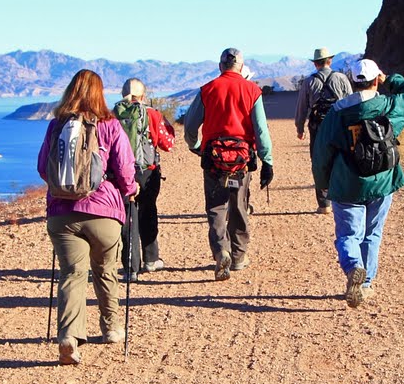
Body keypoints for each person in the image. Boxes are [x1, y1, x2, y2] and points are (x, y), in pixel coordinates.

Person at [37, 69, 138, 364]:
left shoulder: (56, 125)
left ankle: (69, 335)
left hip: (62, 213)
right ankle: (112, 328)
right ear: (100, 93)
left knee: (72, 273)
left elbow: (44, 168)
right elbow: (125, 168)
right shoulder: (109, 125)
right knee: (105, 269)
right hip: (104, 213)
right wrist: (130, 191)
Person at [310, 57, 404, 308]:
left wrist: (323, 183)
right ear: (376, 80)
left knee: (348, 235)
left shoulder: (337, 113)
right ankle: (365, 285)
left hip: (347, 183)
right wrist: (390, 80)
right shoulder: (390, 106)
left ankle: (353, 268)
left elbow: (322, 153)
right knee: (372, 234)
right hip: (382, 182)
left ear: (351, 82)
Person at [183, 47, 275, 280]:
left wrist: (197, 147)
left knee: (216, 208)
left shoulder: (207, 90)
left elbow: (190, 126)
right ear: (241, 67)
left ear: (220, 66)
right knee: (239, 206)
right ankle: (238, 256)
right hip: (241, 162)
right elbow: (261, 130)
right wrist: (268, 161)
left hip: (214, 160)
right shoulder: (252, 90)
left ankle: (220, 251)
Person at [113, 78, 175, 278]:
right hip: (147, 171)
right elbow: (168, 143)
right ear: (143, 95)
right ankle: (151, 260)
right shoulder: (153, 114)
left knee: (126, 217)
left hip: (120, 173)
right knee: (147, 212)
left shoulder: (112, 115)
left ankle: (130, 267)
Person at [294, 47, 353, 212]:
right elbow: (350, 103)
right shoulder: (341, 78)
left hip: (317, 127)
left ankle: (324, 204)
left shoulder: (309, 82)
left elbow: (302, 108)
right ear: (330, 61)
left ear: (315, 64)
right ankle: (342, 199)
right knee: (341, 159)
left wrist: (300, 128)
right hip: (339, 127)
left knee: (319, 162)